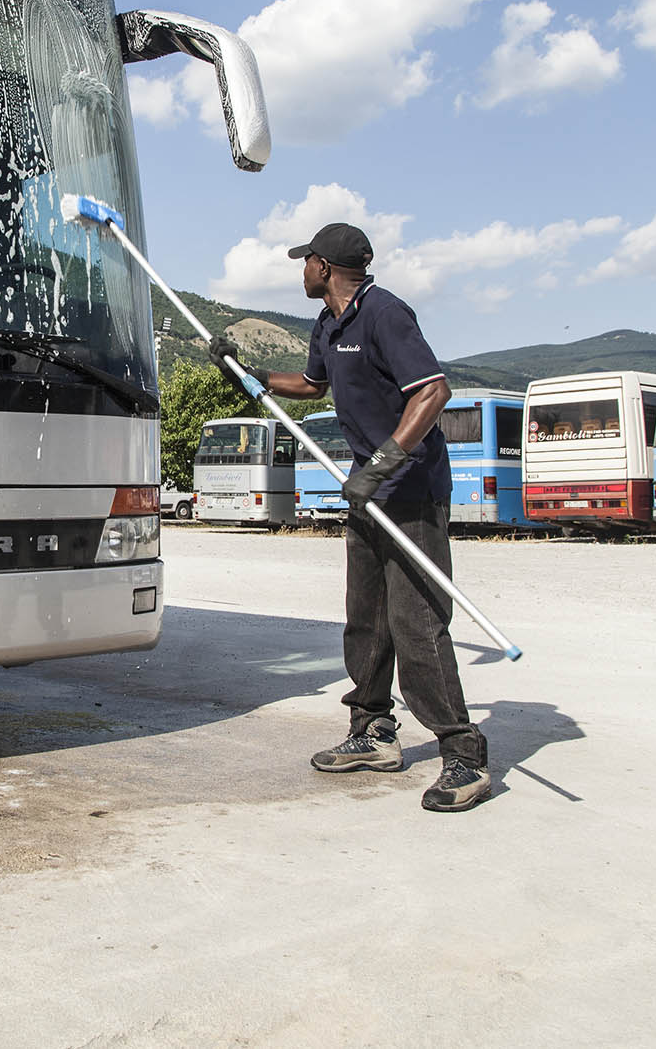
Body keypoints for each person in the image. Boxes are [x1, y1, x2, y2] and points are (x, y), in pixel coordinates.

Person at [207, 222, 490, 812]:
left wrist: (383, 463)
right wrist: (249, 373)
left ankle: (464, 755)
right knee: (367, 621)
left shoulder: (386, 314)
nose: (300, 271)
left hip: (409, 492)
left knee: (418, 624)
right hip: (368, 493)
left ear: (323, 265)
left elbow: (433, 392)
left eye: (304, 262)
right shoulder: (329, 324)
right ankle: (373, 733)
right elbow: (312, 385)